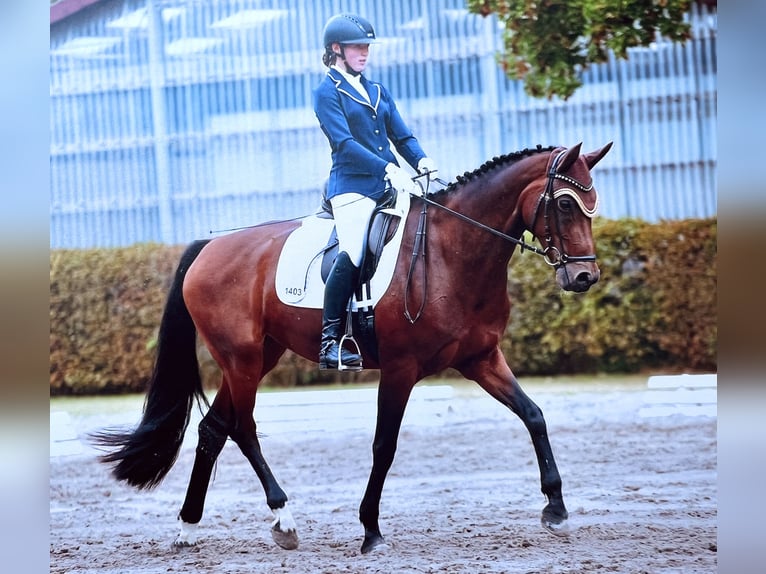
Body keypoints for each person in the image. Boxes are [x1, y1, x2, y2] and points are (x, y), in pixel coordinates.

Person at [313, 13, 438, 370]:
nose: (364, 52)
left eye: (367, 46)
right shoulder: (326, 92)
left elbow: (402, 136)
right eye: (357, 47)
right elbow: (344, 143)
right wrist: (387, 168)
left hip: (390, 183)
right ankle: (330, 341)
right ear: (336, 49)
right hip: (352, 187)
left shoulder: (378, 90)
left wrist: (422, 160)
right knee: (352, 252)